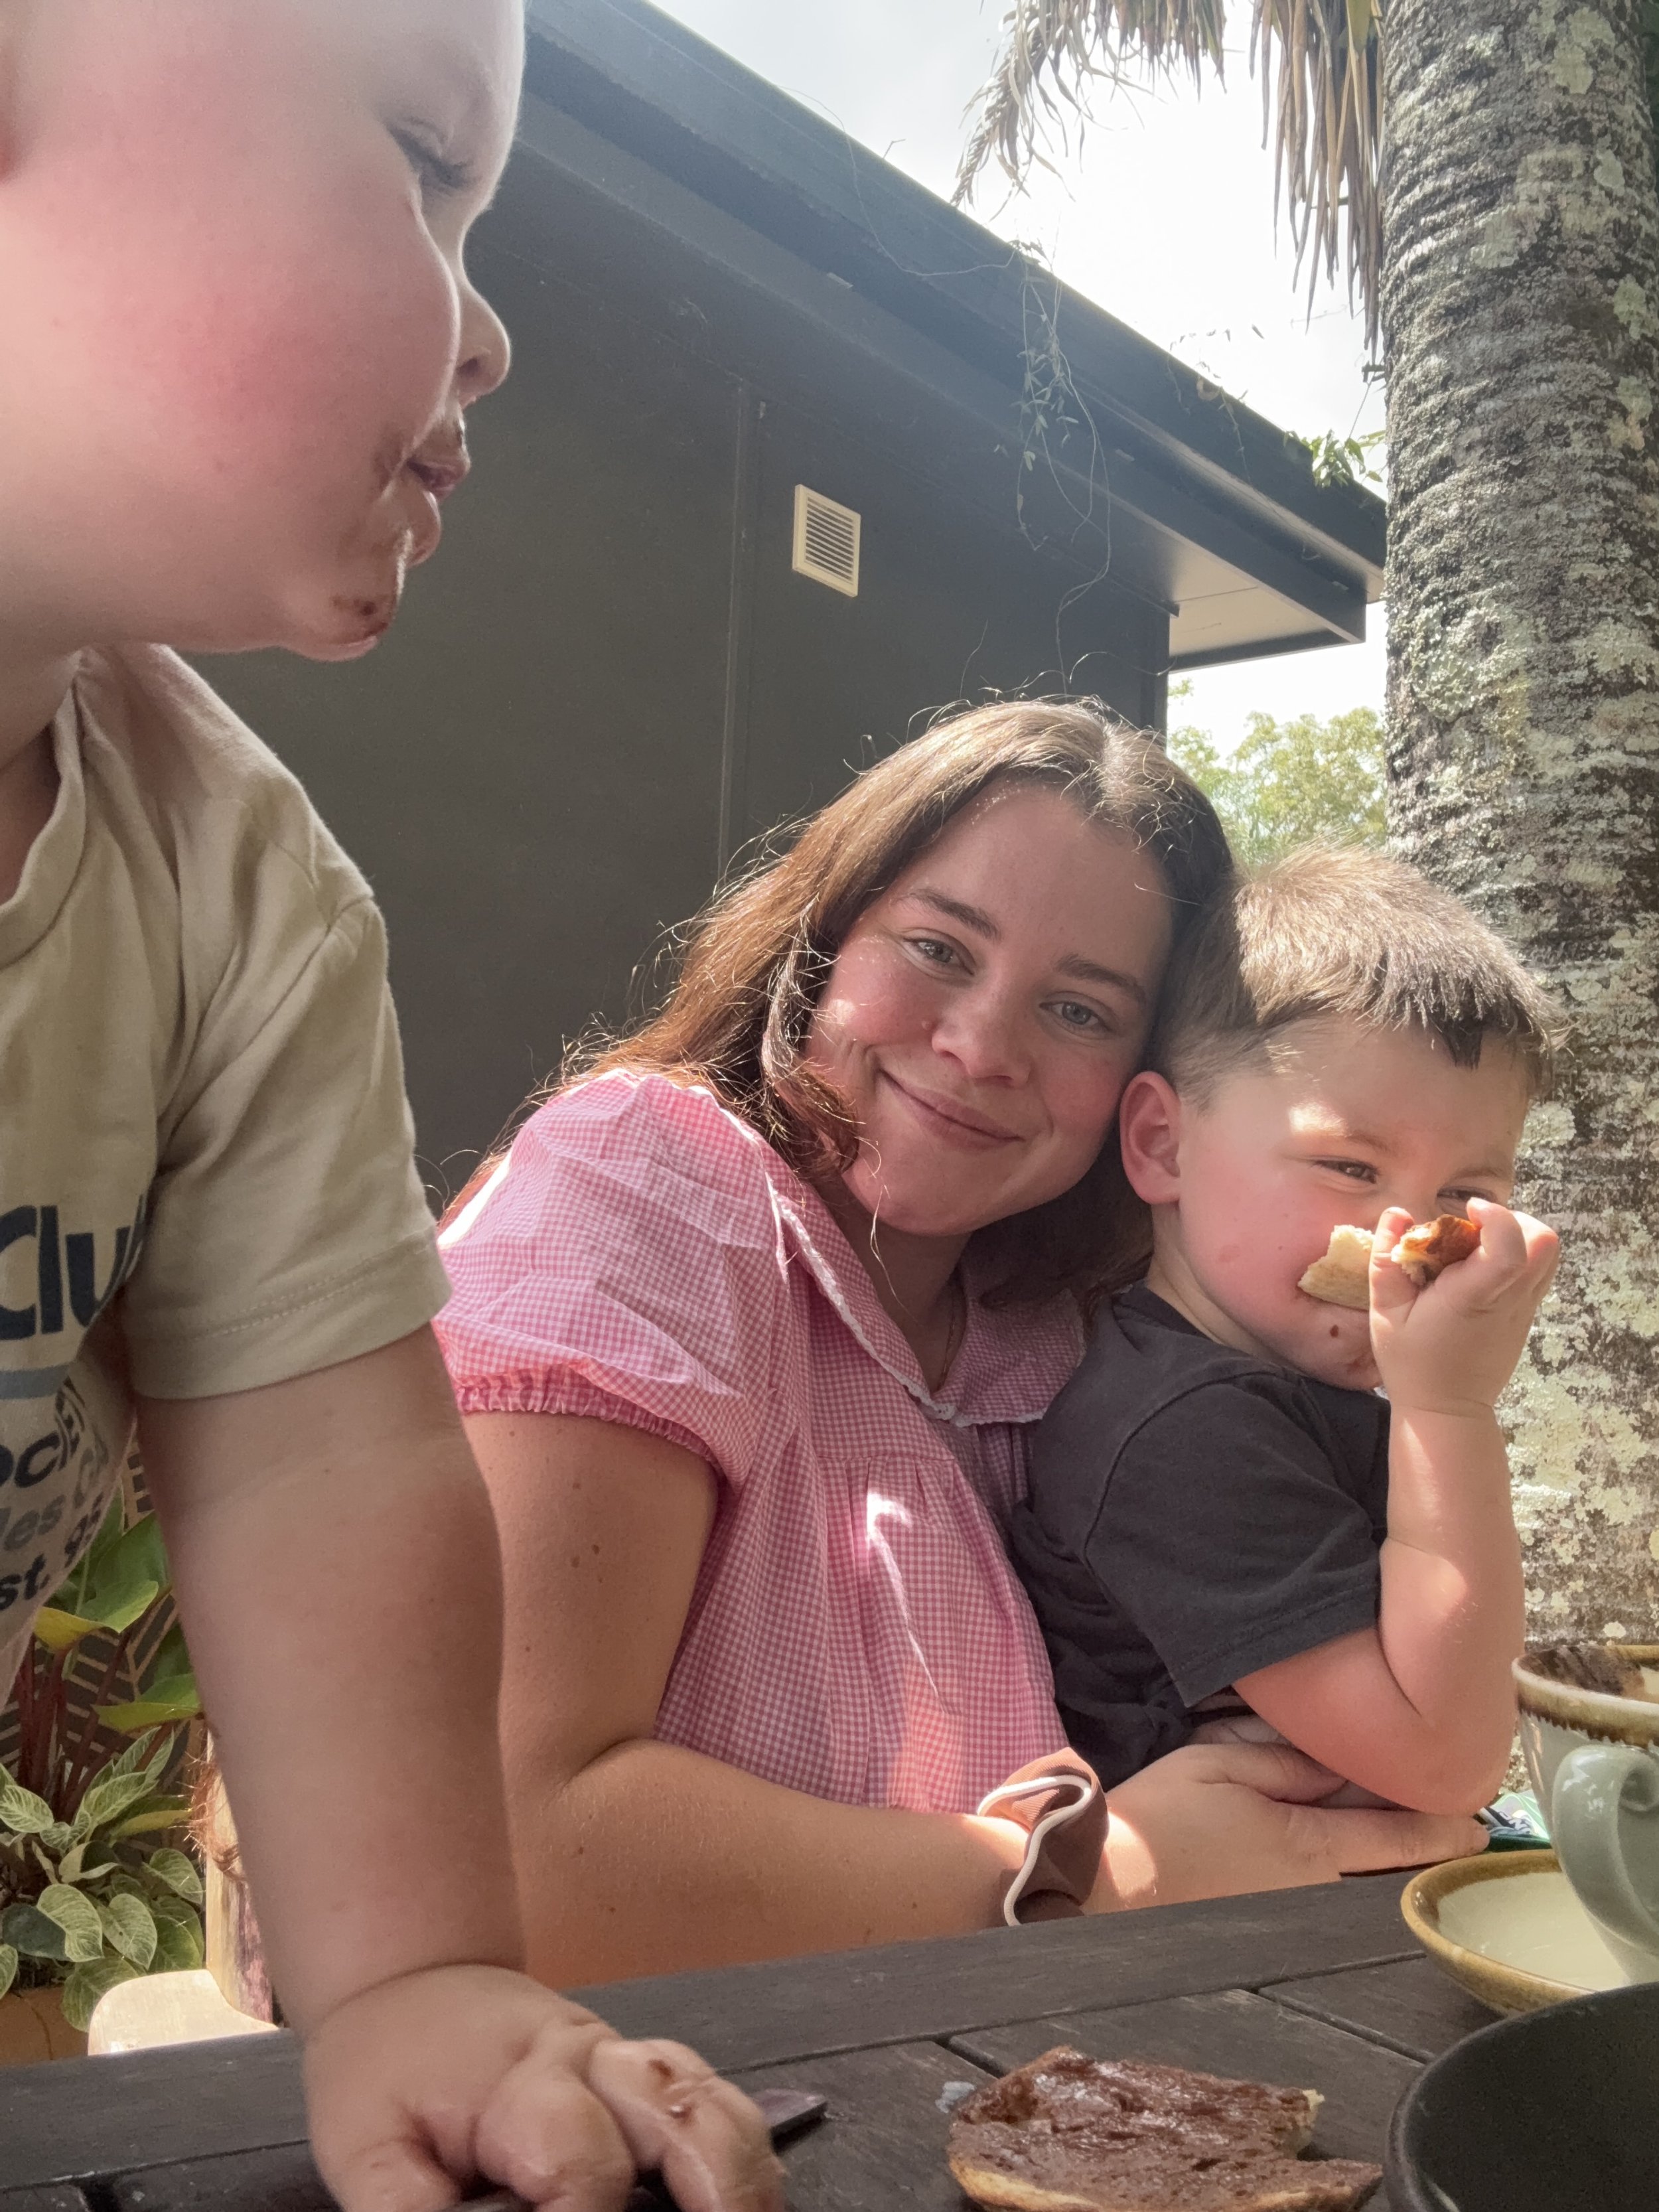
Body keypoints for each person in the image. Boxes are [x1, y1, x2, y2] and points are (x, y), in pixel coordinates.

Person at [0, 5, 778, 2209]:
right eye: (429, 163)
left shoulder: (232, 893)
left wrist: (415, 1968)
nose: (498, 330)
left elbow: (319, 1460)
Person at [437, 705, 1488, 1990]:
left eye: (1081, 1009)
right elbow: (494, 1853)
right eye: (937, 945)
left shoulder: (1066, 1335)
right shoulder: (653, 1184)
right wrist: (1089, 1876)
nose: (983, 1045)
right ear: (821, 941)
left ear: (1146, 1091)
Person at [1012, 848, 1561, 1808]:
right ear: (1162, 1142)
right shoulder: (1179, 1430)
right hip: (1219, 1952)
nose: (1405, 1237)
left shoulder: (1270, 1387)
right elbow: (1447, 1759)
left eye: (1464, 1196)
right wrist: (1451, 1409)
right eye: (1350, 1168)